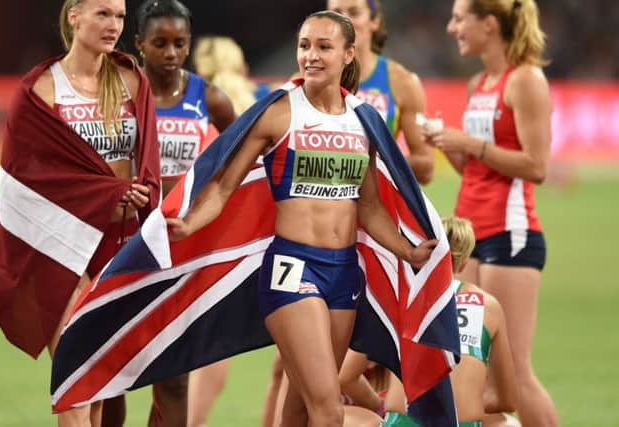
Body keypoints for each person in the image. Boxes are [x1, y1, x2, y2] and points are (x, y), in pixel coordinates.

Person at [166, 10, 437, 427]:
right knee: (328, 411)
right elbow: (223, 186)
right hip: (292, 268)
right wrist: (187, 224)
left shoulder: (363, 120)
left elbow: (369, 208)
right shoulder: (278, 112)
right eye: (304, 45)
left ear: (349, 54)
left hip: (344, 273)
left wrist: (409, 250)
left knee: (298, 406)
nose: (310, 55)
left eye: (324, 47)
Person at [0, 0, 161, 425]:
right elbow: (25, 179)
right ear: (74, 15)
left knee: (98, 386)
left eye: (119, 16)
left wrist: (143, 194)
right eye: (102, 14)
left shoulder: (131, 81)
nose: (113, 25)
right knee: (76, 388)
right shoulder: (42, 88)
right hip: (61, 246)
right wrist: (105, 194)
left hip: (118, 249)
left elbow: (148, 160)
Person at [423, 1, 557, 426]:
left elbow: (536, 166)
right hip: (473, 234)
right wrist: (451, 146)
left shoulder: (526, 81)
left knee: (514, 372)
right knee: (474, 368)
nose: (451, 28)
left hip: (510, 233)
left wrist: (470, 144)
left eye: (460, 19)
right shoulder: (478, 83)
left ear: (489, 24)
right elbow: (479, 169)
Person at [132, 1, 236, 426]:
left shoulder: (209, 98)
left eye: (180, 43)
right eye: (160, 43)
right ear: (139, 45)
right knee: (116, 376)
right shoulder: (123, 95)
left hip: (182, 250)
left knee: (174, 379)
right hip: (129, 250)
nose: (171, 53)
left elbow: (244, 158)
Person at [381, 217, 519, 427]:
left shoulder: (400, 297)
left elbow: (346, 376)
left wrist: (376, 402)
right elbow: (507, 400)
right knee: (508, 423)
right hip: (460, 423)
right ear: (463, 262)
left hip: (402, 422)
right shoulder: (487, 305)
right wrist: (464, 403)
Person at [327, 0, 434, 184]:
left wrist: (368, 165)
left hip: (377, 206)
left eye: (354, 12)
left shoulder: (404, 82)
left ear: (374, 21)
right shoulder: (309, 79)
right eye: (336, 13)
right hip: (325, 206)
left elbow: (425, 167)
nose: (344, 20)